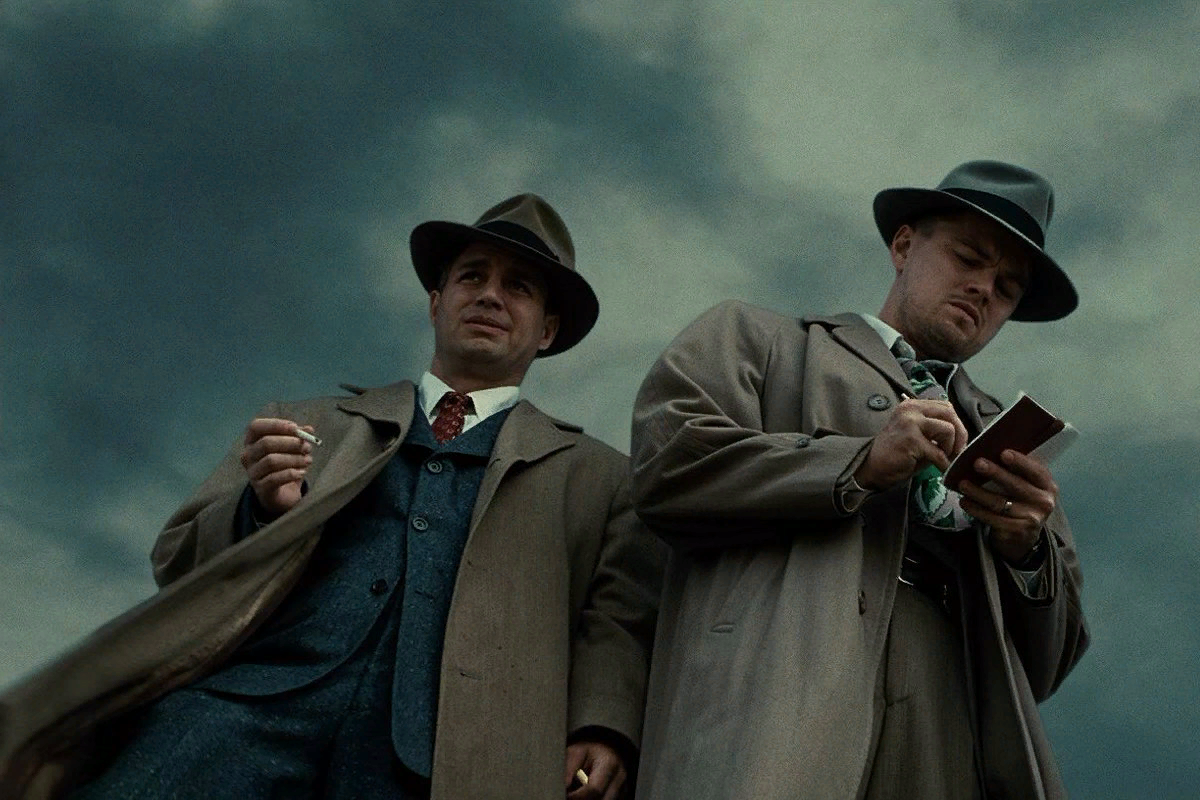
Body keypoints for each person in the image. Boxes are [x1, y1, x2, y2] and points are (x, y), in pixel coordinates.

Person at [0, 194, 663, 800]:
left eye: (518, 287)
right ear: (436, 304)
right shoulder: (305, 423)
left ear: (546, 331)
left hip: (443, 763)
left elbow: (615, 624)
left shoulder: (602, 480)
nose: (490, 294)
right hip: (232, 722)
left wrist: (603, 724)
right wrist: (261, 510)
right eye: (472, 276)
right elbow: (178, 562)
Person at [629, 161, 1089, 799]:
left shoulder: (1013, 445)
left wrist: (1027, 552)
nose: (984, 288)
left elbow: (1049, 665)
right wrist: (860, 462)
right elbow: (668, 465)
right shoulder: (757, 338)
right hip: (777, 699)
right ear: (903, 246)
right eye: (968, 258)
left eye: (1007, 286)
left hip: (951, 725)